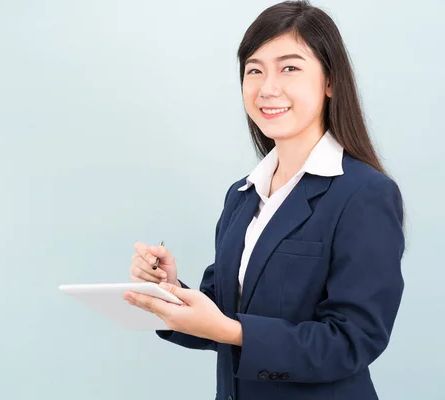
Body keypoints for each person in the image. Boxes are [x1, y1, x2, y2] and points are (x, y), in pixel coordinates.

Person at [122, 1, 406, 399]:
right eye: (254, 70)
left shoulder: (364, 194)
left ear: (330, 81)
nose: (267, 87)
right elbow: (223, 314)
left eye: (290, 67)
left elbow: (352, 341)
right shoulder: (243, 194)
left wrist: (230, 331)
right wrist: (170, 290)